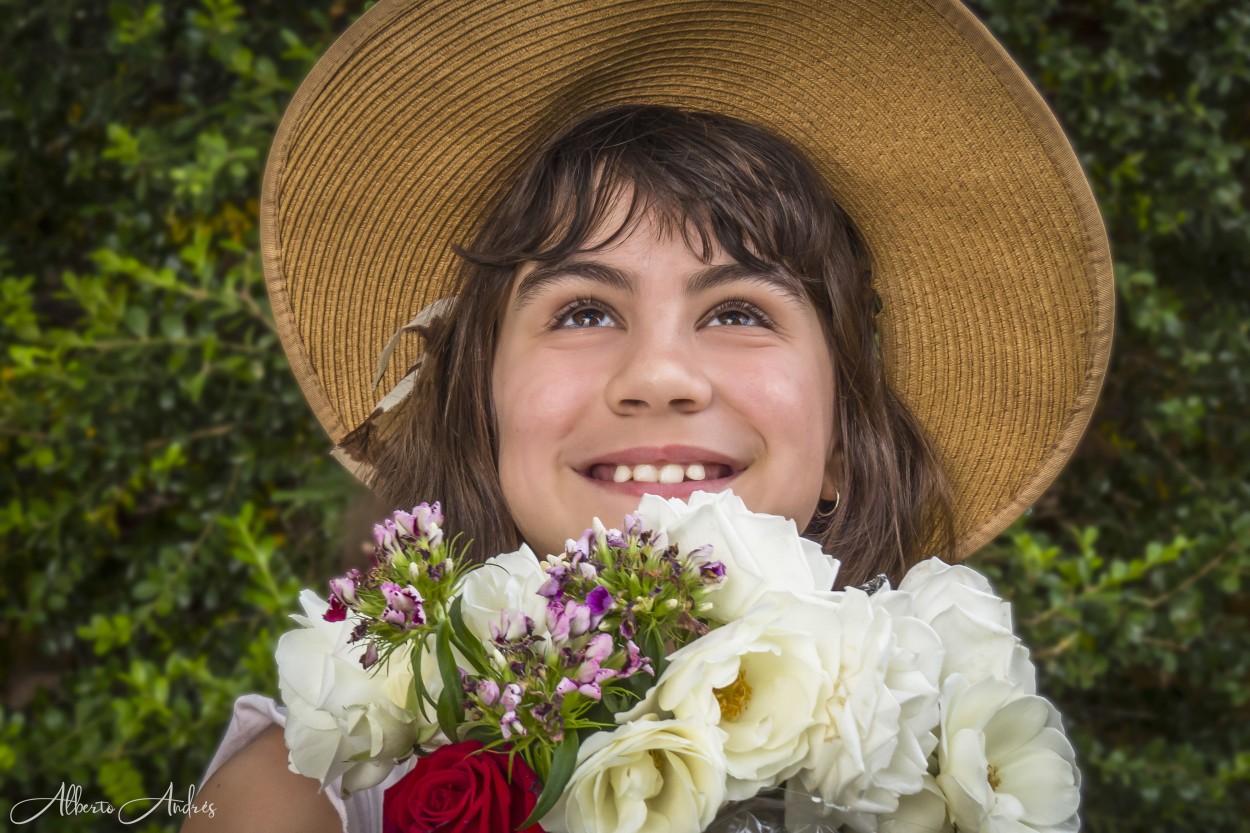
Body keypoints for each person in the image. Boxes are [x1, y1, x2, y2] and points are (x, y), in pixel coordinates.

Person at [184, 0, 1113, 830]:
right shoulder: (294, 799)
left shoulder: (956, 791)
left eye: (740, 311)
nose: (661, 374)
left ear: (841, 445)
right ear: (481, 408)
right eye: (584, 310)